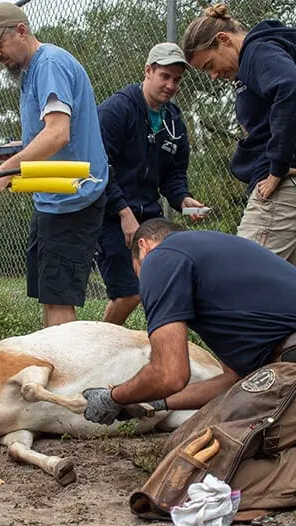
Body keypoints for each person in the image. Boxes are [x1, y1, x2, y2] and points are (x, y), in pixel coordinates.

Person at [81, 219, 296, 514]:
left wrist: (115, 397)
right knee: (179, 449)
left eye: (137, 271)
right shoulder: (212, 259)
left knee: (181, 488)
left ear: (143, 246)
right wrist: (154, 402)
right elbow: (232, 381)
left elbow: (169, 372)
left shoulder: (160, 259)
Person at [0, 2, 109, 327]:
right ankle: (52, 365)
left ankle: (64, 375)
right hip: (52, 198)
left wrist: (7, 172)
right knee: (50, 295)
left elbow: (58, 133)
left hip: (73, 199)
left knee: (59, 300)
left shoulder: (50, 64)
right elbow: (56, 133)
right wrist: (20, 151)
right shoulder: (32, 70)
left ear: (21, 30)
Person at [181, 3, 296, 267]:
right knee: (284, 294)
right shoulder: (256, 59)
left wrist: (277, 168)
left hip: (283, 189)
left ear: (223, 40)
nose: (213, 76)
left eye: (209, 65)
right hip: (295, 188)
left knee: (240, 279)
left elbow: (292, 89)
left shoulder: (258, 51)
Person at [95, 42, 207, 325]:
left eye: (177, 80)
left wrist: (182, 199)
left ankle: (160, 348)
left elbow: (173, 174)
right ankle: (101, 346)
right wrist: (123, 212)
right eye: (165, 76)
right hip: (111, 213)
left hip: (149, 214)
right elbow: (97, 166)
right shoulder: (117, 110)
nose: (171, 85)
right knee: (128, 293)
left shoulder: (174, 120)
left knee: (167, 283)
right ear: (148, 71)